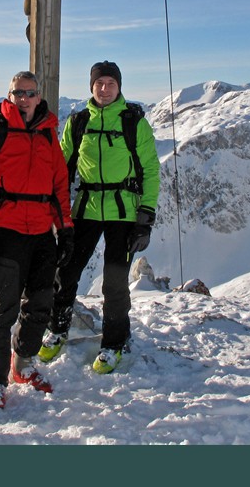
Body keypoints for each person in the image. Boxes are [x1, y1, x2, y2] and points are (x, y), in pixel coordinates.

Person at [0, 71, 74, 410]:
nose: (23, 98)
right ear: (9, 95)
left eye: (29, 93)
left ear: (39, 96)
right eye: (17, 93)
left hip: (41, 232)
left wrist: (64, 228)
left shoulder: (47, 133)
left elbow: (59, 185)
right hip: (5, 231)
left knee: (41, 303)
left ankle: (23, 363)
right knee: (4, 308)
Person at [38, 61, 160, 374]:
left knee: (116, 282)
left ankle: (114, 342)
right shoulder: (78, 121)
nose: (104, 89)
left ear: (119, 87)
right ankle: (58, 327)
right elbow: (61, 163)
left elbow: (150, 169)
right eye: (99, 83)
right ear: (91, 87)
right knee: (66, 270)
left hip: (124, 210)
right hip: (87, 206)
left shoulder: (134, 122)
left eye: (110, 83)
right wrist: (53, 204)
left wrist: (145, 216)